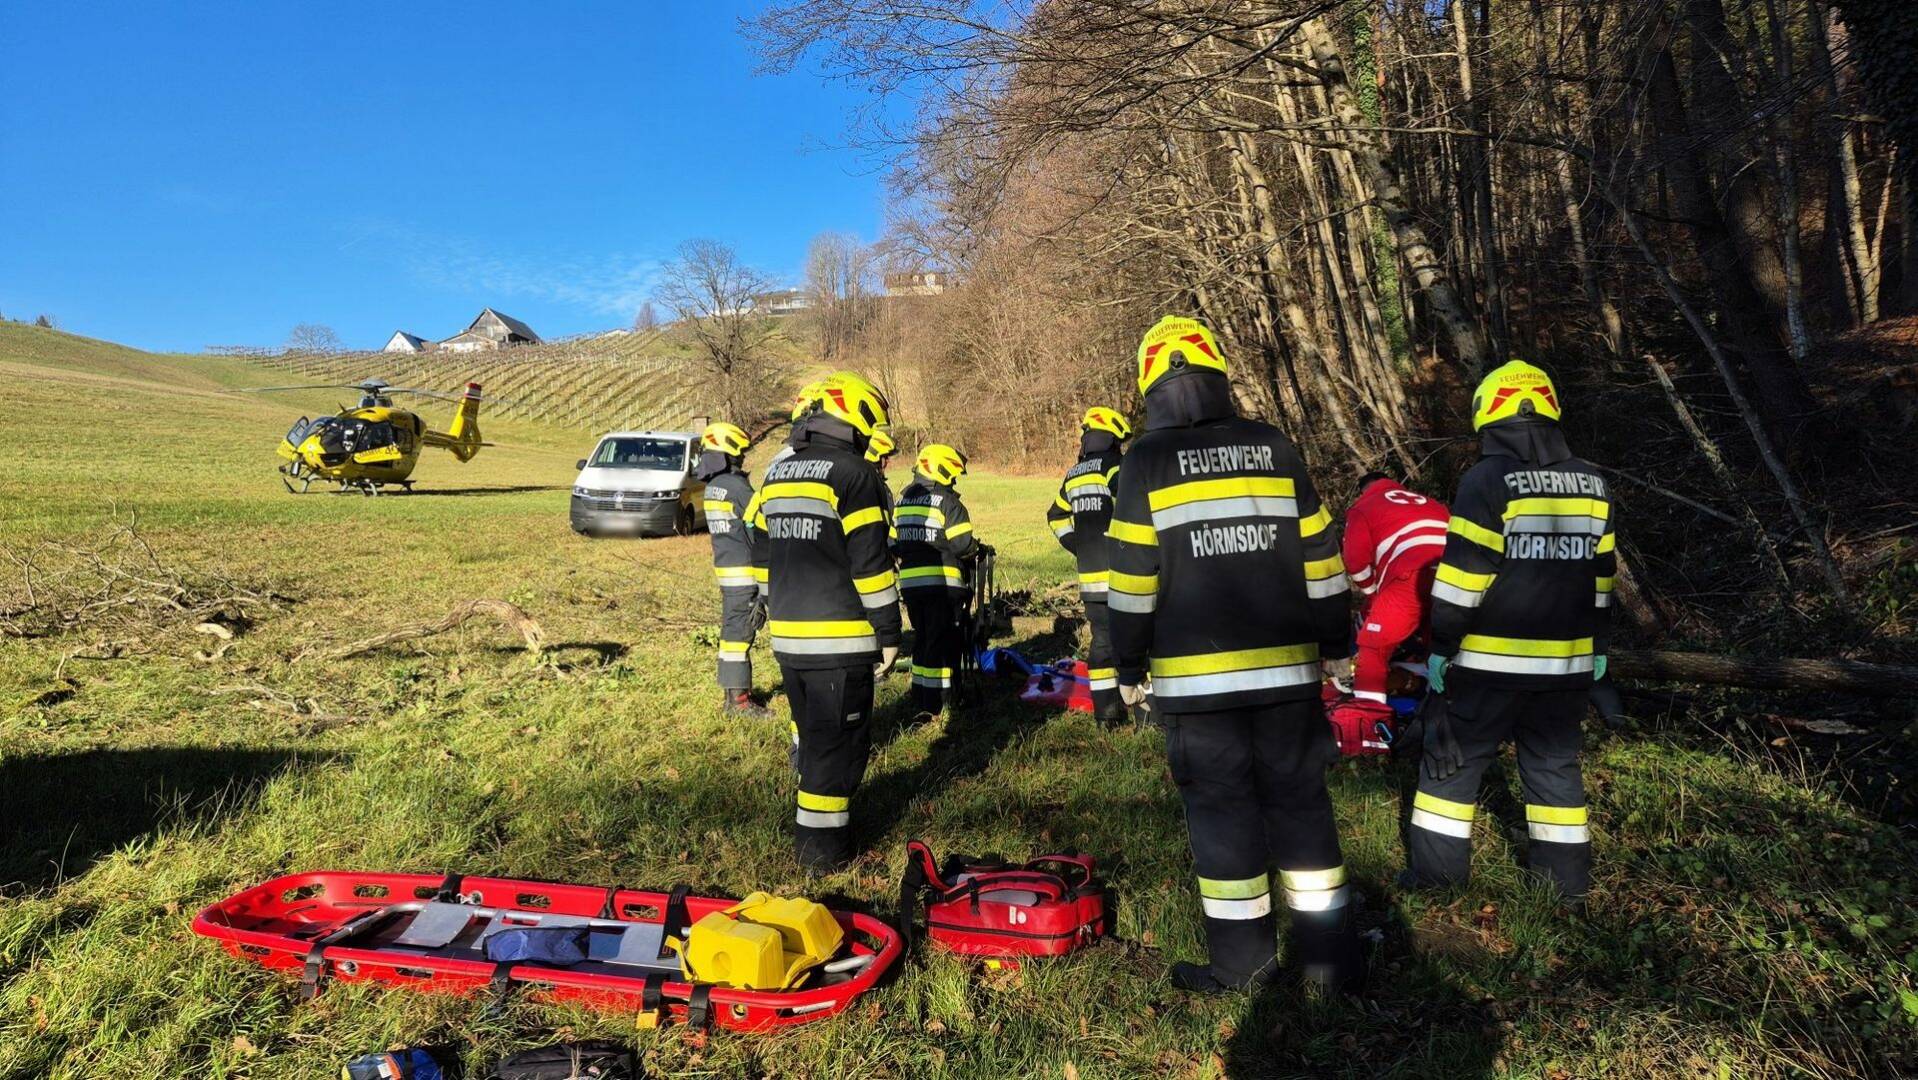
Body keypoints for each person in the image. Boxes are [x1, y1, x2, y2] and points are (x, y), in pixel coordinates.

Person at [1107, 315, 1362, 994]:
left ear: (1148, 385)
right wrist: (1337, 646)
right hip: (1288, 679)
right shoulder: (1274, 447)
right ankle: (1328, 959)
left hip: (1197, 692)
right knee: (1303, 807)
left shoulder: (1144, 462)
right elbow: (1321, 561)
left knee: (1222, 820)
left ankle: (1243, 966)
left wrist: (1127, 667)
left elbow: (1131, 580)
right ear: (1220, 371)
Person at [1407, 360, 1614, 904]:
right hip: (1565, 667)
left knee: (1450, 770)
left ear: (1489, 417)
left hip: (1486, 666)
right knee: (1554, 773)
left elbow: (1462, 579)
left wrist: (1442, 647)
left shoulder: (1486, 480)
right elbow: (1601, 578)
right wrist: (1597, 648)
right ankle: (1564, 890)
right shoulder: (1593, 482)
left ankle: (1438, 885)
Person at [747, 372, 901, 872]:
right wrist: (889, 631)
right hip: (840, 641)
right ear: (853, 414)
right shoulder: (855, 475)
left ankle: (812, 835)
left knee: (813, 738)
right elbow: (871, 563)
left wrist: (779, 605)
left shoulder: (778, 474)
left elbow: (761, 550)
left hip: (789, 639)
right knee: (839, 751)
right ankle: (823, 856)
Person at [1325, 472, 1449, 753]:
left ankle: (1370, 737)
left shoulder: (1364, 506)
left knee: (1373, 650)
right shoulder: (1431, 503)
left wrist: (1372, 595)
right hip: (1454, 576)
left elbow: (1355, 562)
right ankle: (1444, 721)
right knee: (1440, 647)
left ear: (1362, 491)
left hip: (1409, 575)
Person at [1046, 406, 1133, 723]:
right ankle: (1146, 715)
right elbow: (1133, 505)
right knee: (1138, 638)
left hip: (1090, 576)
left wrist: (1076, 545)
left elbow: (1054, 516)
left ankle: (1106, 714)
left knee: (1102, 641)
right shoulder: (1114, 466)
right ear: (1112, 438)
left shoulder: (1074, 474)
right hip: (1123, 574)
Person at [891, 443, 980, 719]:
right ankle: (941, 701)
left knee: (923, 640)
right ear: (940, 469)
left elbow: (893, 543)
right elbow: (964, 545)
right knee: (943, 644)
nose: (952, 480)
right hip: (944, 588)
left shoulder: (903, 501)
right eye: (951, 474)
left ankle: (920, 696)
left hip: (911, 588)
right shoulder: (948, 503)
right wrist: (978, 549)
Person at [697, 421, 768, 719]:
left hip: (726, 572)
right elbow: (761, 530)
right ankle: (739, 703)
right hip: (745, 575)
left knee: (730, 634)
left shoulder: (712, 488)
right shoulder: (738, 488)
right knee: (740, 635)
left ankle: (732, 697)